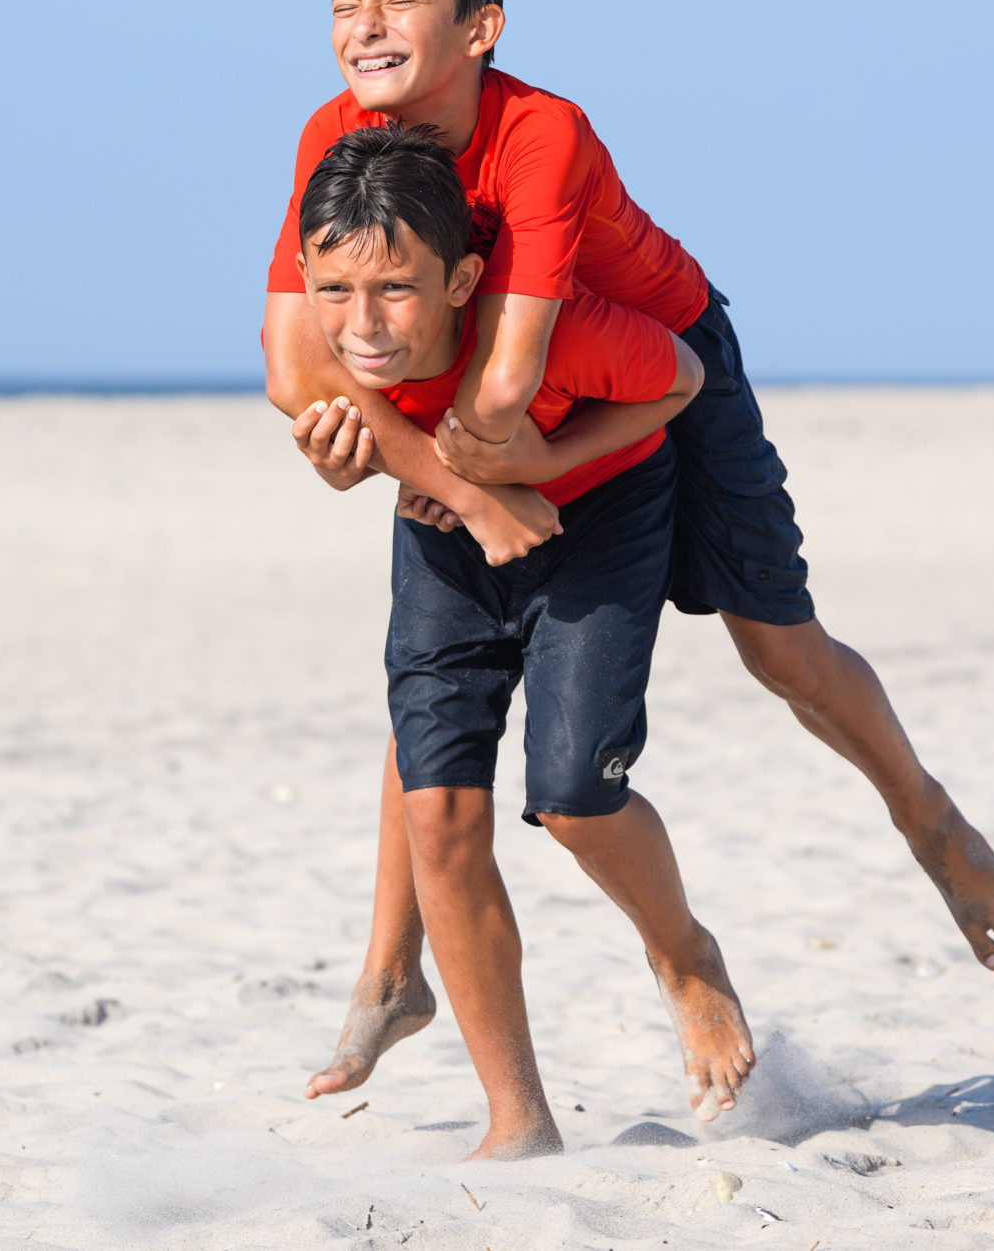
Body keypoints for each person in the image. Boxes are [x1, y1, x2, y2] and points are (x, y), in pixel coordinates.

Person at [259, 0, 994, 1102]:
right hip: (478, 398)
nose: (365, 27)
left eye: (399, 0)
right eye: (344, 5)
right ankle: (389, 968)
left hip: (656, 359)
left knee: (781, 650)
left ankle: (925, 816)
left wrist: (454, 469)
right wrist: (432, 473)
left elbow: (508, 390)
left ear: (481, 26)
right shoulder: (337, 139)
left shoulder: (540, 134)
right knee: (439, 692)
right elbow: (297, 363)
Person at [288, 121, 749, 1157]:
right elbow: (351, 430)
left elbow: (676, 379)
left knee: (576, 800)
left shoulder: (551, 332)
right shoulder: (323, 343)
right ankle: (518, 1120)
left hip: (599, 523)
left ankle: (683, 956)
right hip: (444, 539)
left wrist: (536, 470)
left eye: (395, 291)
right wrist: (365, 469)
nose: (362, 325)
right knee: (440, 813)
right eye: (334, 292)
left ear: (460, 281)